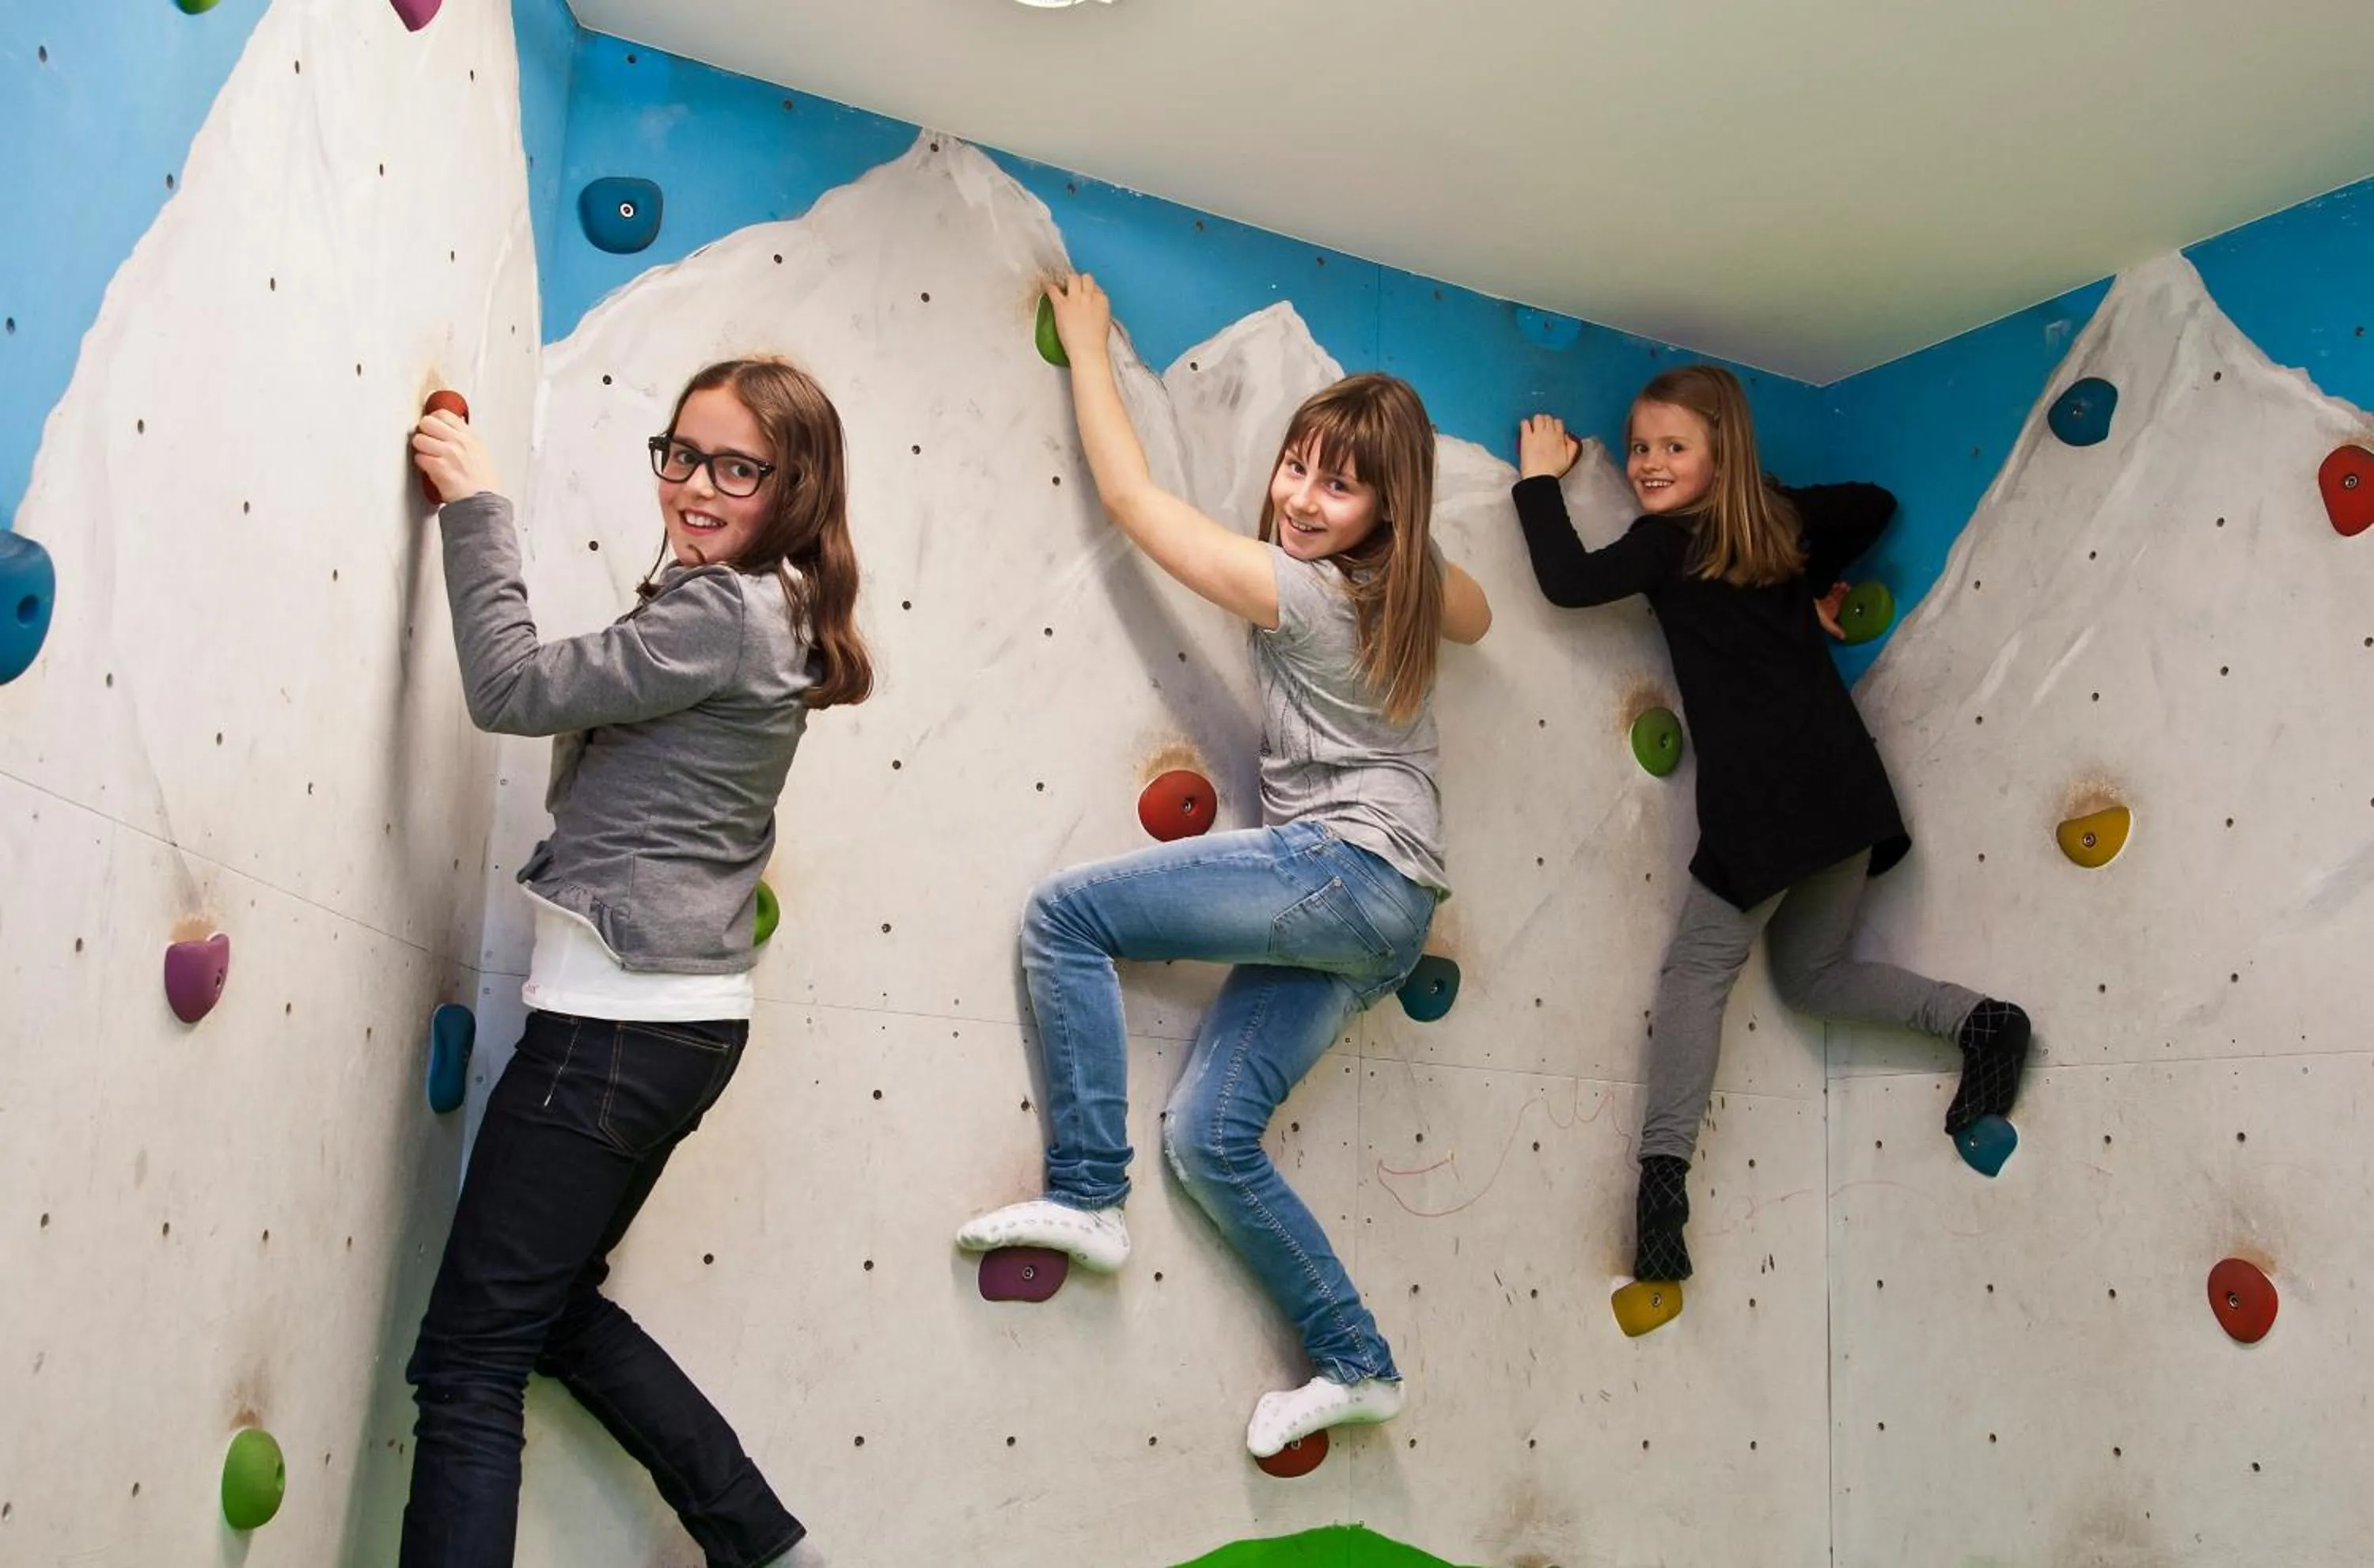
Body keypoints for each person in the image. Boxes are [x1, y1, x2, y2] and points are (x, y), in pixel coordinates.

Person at [958, 275, 1491, 1460]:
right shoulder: (1409, 591)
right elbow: (1483, 615)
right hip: (1388, 912)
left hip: (1344, 869)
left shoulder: (1298, 591)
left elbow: (1136, 502)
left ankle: (1088, 1189)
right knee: (1210, 1138)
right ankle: (1357, 1359)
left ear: (1382, 512)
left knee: (1066, 916)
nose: (1299, 499)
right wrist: (1403, 537)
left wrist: (1090, 350)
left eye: (1338, 485)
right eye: (1296, 467)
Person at [400, 358, 871, 1567]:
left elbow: (510, 686)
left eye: (735, 467)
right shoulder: (769, 609)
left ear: (793, 486)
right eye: (682, 453)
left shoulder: (722, 611)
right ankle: (766, 1547)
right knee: (549, 1316)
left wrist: (475, 505)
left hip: (616, 1031)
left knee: (469, 1360)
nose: (695, 486)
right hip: (677, 1029)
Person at [1511, 364, 2029, 1289]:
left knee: (1697, 974)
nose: (1648, 464)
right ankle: (1983, 1023)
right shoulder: (1778, 524)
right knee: (1814, 974)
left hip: (1765, 797)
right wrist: (1815, 578)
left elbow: (1567, 581)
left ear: (1722, 454)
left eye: (1674, 447)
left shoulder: (1667, 543)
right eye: (1640, 448)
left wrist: (1539, 481)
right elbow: (1874, 503)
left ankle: (1662, 1185)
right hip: (1841, 786)